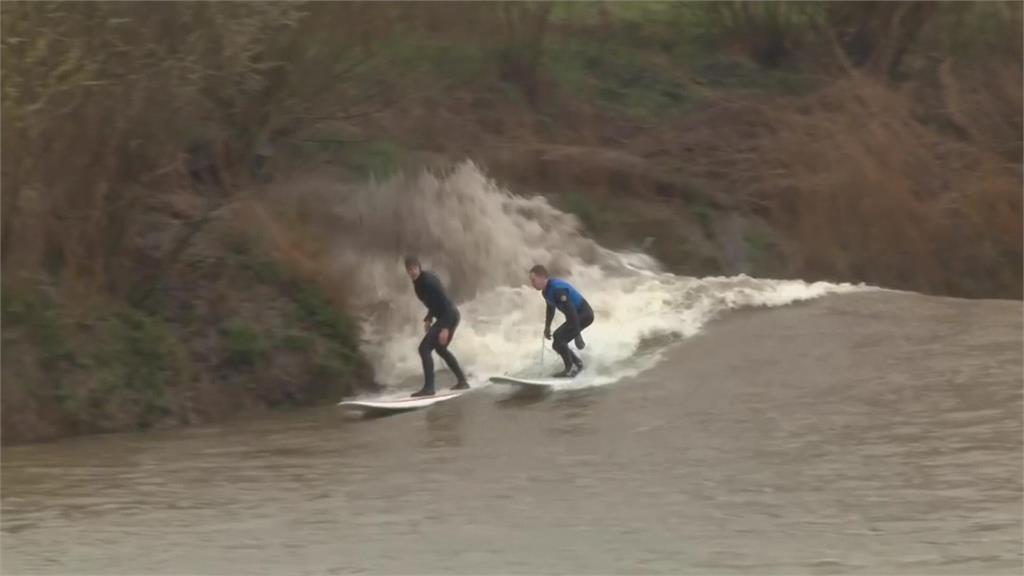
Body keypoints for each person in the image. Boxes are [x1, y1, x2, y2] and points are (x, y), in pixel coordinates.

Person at [405, 256, 469, 396]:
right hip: (446, 316)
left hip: (449, 315)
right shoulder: (418, 283)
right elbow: (433, 303)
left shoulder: (428, 280)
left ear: (419, 267)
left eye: (415, 267)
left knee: (424, 348)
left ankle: (429, 388)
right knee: (440, 349)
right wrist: (428, 319)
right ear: (407, 271)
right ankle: (462, 381)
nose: (412, 271)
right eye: (409, 269)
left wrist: (445, 327)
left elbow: (443, 300)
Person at [529, 264, 595, 378]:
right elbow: (550, 309)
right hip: (575, 317)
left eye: (533, 280)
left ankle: (570, 368)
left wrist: (577, 335)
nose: (532, 284)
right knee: (557, 342)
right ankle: (577, 364)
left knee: (559, 338)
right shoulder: (545, 292)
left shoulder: (557, 290)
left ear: (542, 277)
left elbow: (572, 311)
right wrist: (547, 327)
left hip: (584, 315)